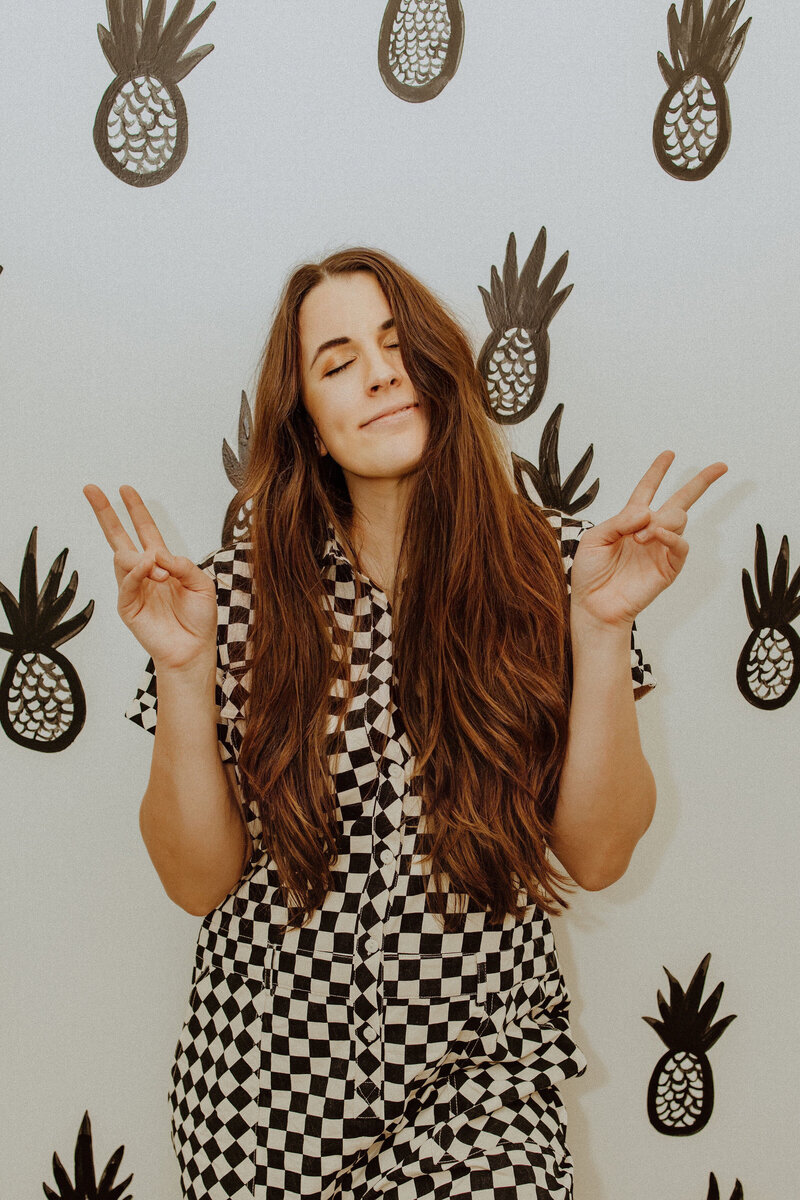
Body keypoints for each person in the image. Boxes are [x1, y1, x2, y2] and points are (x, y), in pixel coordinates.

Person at [83, 246, 727, 1200]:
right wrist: (183, 672)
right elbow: (195, 880)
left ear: (440, 371)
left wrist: (600, 626)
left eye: (397, 345)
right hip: (264, 1104)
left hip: (480, 1091)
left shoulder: (553, 568)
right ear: (305, 416)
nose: (379, 372)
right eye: (337, 361)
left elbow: (596, 855)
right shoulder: (234, 595)